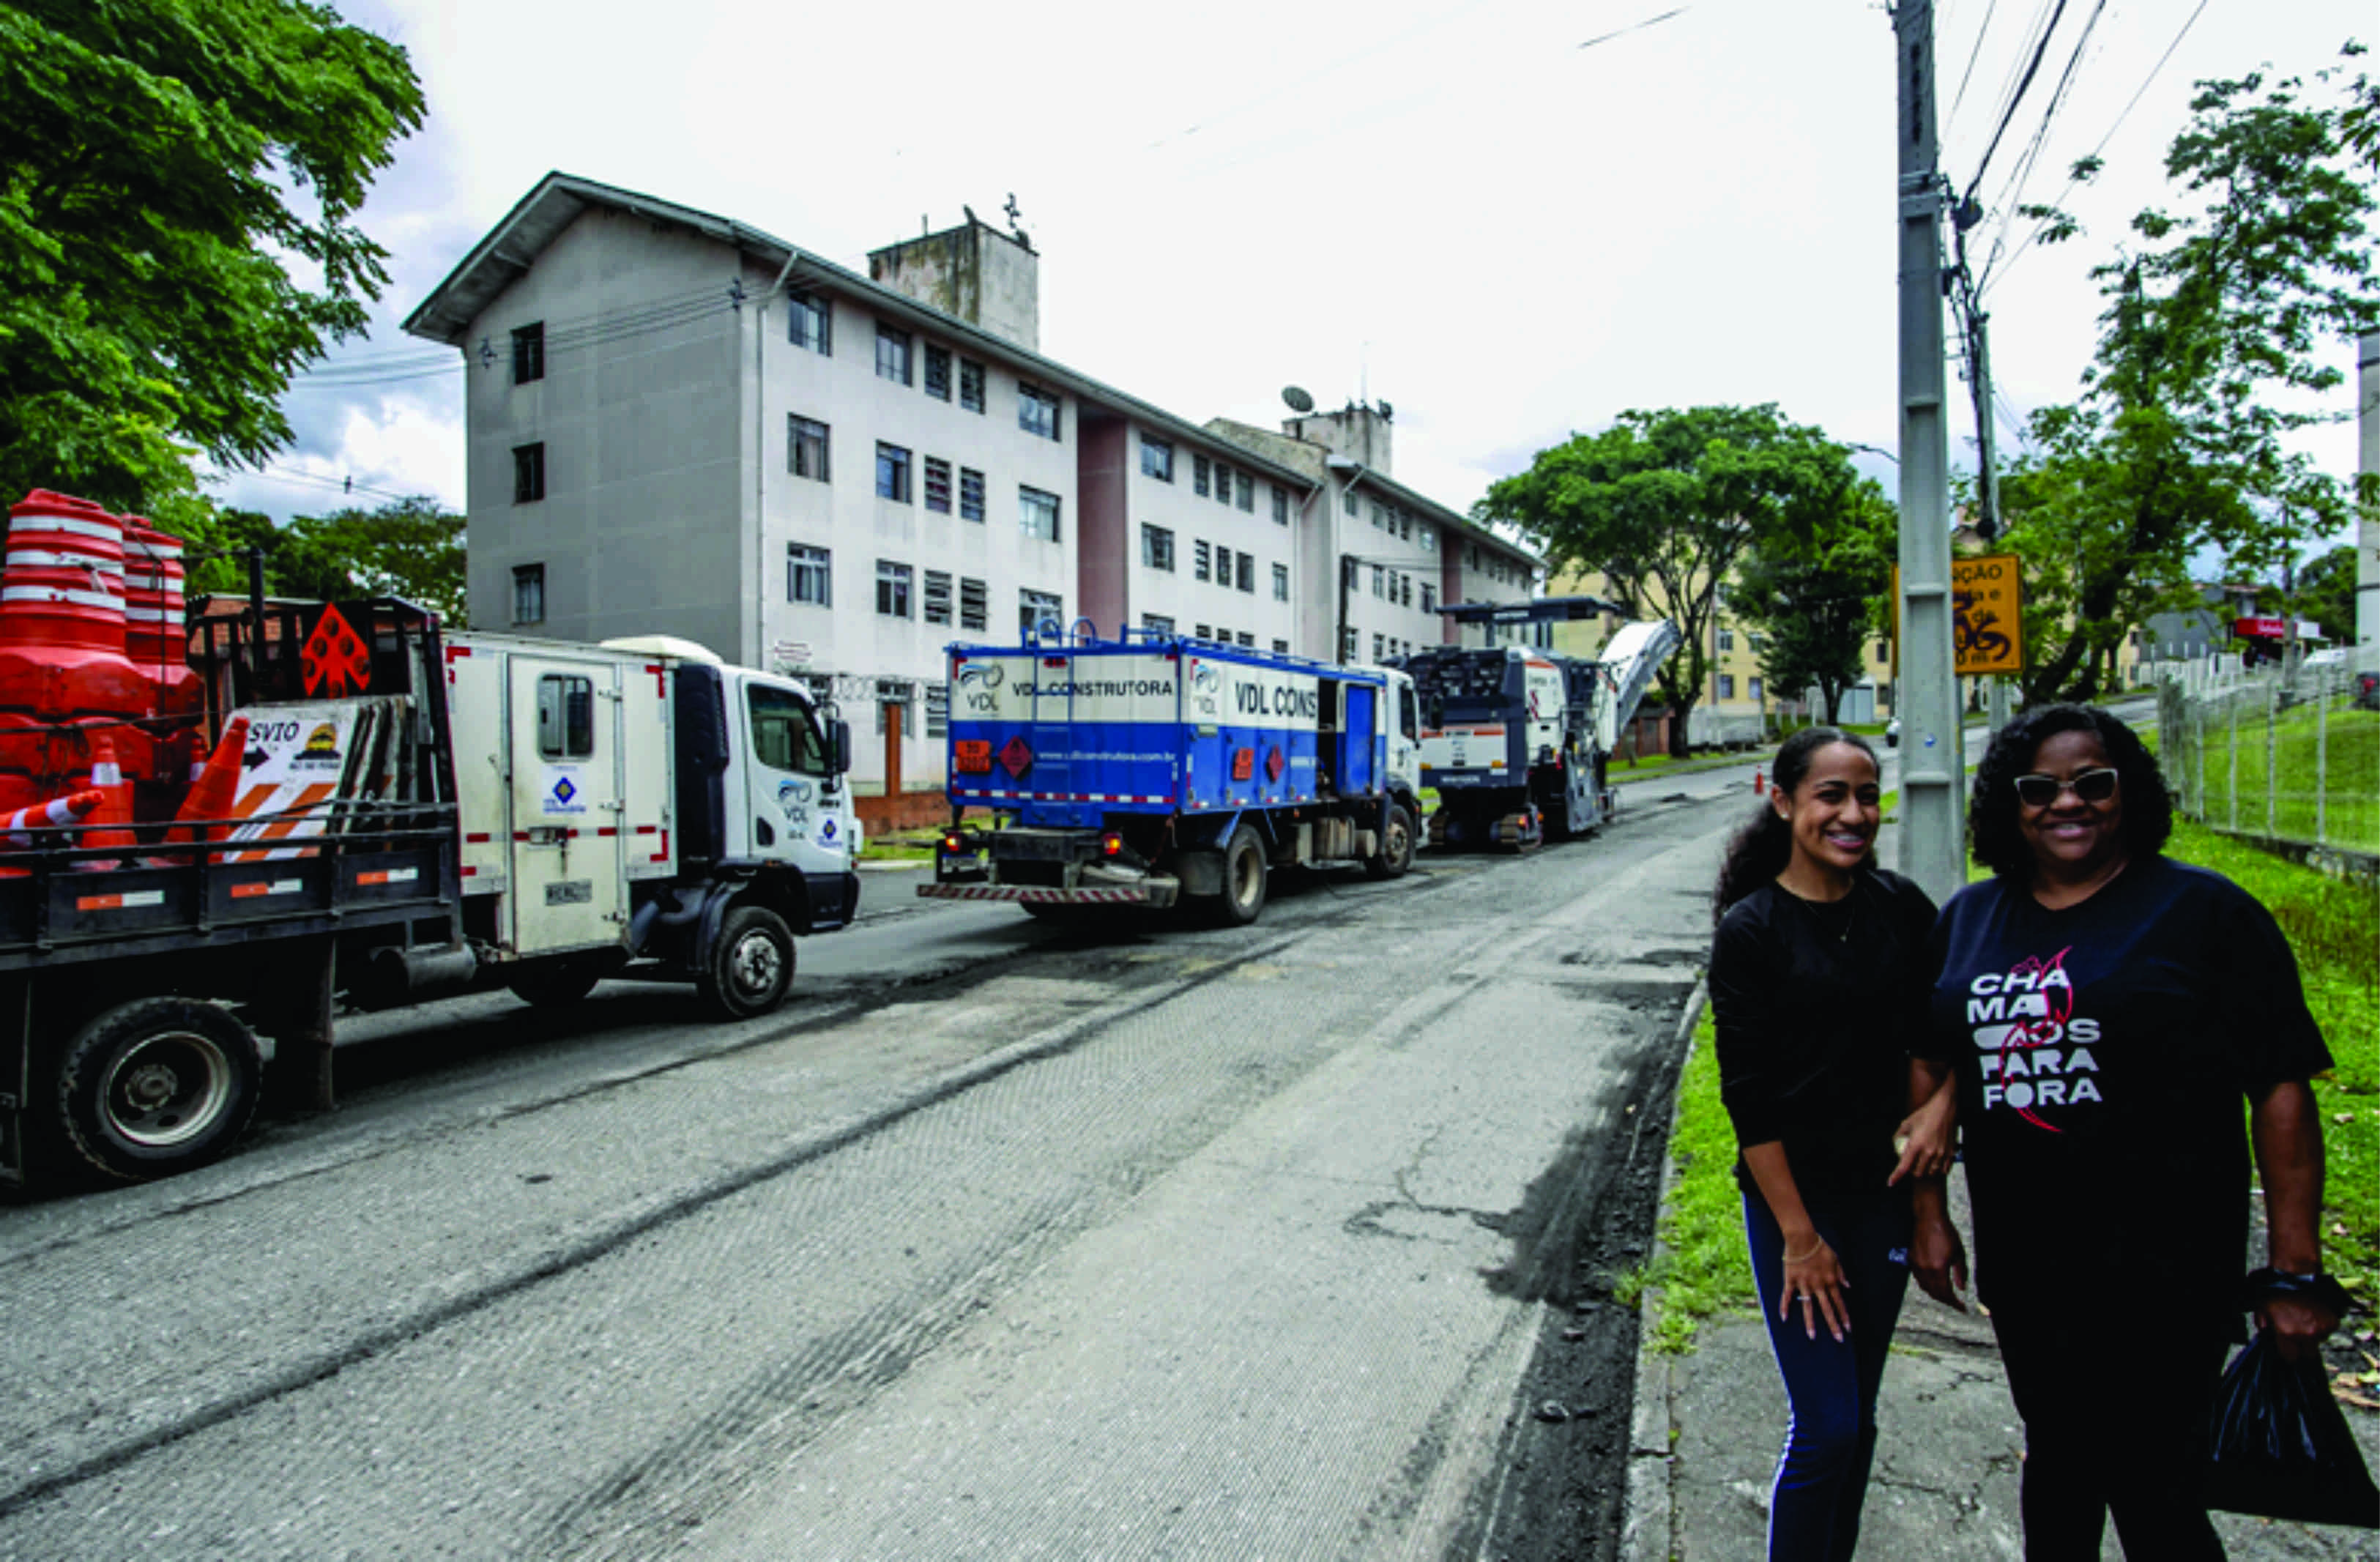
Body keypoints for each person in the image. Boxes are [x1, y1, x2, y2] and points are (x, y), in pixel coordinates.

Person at [1917, 704, 2338, 1560]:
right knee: (2060, 1466)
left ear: (2128, 793)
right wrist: (1929, 1214)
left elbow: (2280, 1087)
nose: (2065, 803)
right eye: (2039, 789)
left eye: (2092, 783)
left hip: (2169, 1263)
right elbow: (1936, 1062)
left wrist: (2294, 1270)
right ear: (2009, 802)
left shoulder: (2203, 915)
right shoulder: (1969, 919)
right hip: (2032, 1261)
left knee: (2155, 1484)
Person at [1708, 726, 1961, 1562]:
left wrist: (1932, 1195)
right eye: (1830, 796)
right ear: (1783, 803)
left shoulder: (1901, 909)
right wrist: (1800, 1239)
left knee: (1859, 1418)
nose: (1854, 814)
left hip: (1882, 1201)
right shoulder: (1752, 929)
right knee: (1828, 1426)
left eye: (1866, 795)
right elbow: (1750, 1102)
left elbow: (1944, 1044)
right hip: (1795, 1211)